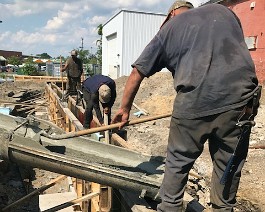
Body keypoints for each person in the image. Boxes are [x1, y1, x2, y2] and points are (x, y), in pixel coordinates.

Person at [111, 1, 261, 211]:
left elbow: (138, 72)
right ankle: (223, 207)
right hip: (240, 101)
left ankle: (170, 206)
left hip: (194, 101)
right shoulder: (223, 11)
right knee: (229, 164)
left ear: (172, 14)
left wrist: (124, 109)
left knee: (178, 162)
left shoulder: (169, 29)